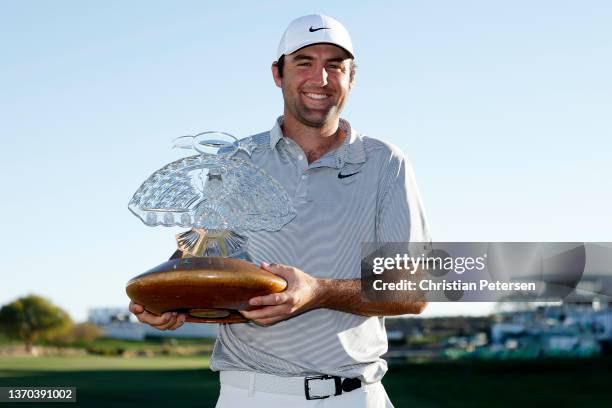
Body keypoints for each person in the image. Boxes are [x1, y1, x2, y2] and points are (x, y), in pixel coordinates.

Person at [129, 14, 430, 407]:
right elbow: (203, 255)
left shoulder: (385, 161)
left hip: (354, 396)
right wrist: (165, 300)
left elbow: (414, 289)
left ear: (352, 78)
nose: (320, 79)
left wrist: (318, 291)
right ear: (277, 73)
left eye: (334, 66)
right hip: (250, 394)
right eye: (304, 63)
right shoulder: (234, 160)